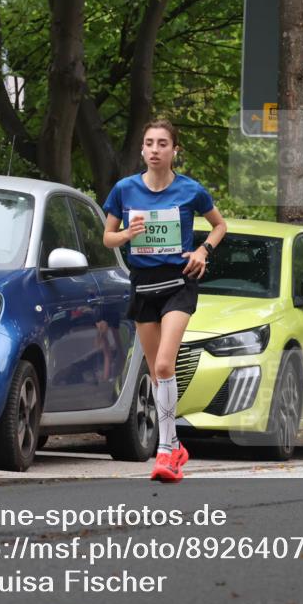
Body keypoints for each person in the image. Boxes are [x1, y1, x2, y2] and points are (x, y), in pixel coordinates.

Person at [103, 119, 227, 483]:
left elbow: (220, 225)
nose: (155, 149)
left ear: (175, 150)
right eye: (149, 143)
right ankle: (174, 445)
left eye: (162, 143)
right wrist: (127, 233)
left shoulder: (191, 190)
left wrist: (203, 251)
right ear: (142, 150)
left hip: (179, 282)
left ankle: (164, 449)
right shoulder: (125, 190)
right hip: (142, 284)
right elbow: (107, 238)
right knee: (160, 376)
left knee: (162, 365)